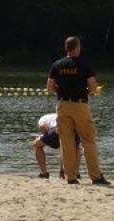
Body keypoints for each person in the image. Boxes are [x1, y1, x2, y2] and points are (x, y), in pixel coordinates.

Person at [46, 36, 109, 186]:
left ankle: (71, 177)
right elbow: (93, 87)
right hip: (80, 105)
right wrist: (88, 91)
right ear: (78, 47)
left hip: (62, 105)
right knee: (88, 140)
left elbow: (49, 88)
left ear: (66, 48)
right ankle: (95, 176)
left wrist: (61, 91)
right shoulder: (84, 64)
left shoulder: (57, 65)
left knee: (66, 141)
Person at [32, 111, 82, 179]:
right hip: (72, 130)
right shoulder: (60, 115)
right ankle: (75, 172)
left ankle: (44, 173)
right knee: (76, 147)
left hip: (56, 130)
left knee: (37, 144)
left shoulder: (42, 119)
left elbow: (42, 126)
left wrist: (44, 136)